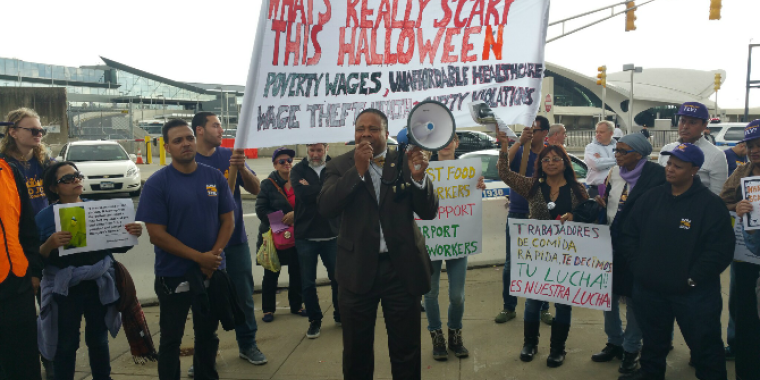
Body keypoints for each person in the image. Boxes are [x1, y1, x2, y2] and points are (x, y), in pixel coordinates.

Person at [318, 108, 438, 379]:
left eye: (373, 129)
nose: (366, 134)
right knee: (356, 351)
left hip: (401, 270)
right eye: (361, 128)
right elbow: (326, 207)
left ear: (387, 133)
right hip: (357, 270)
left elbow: (428, 212)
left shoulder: (405, 161)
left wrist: (419, 179)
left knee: (406, 348)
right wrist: (357, 172)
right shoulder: (339, 165)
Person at [619, 143, 734, 380]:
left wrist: (693, 279)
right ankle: (650, 375)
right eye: (669, 164)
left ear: (694, 170)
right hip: (650, 290)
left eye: (677, 166)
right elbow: (629, 234)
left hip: (694, 295)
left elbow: (720, 250)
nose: (670, 169)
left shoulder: (710, 205)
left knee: (706, 347)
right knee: (653, 343)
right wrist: (638, 268)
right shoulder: (650, 198)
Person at [135, 119, 236, 380]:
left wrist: (212, 256)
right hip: (174, 275)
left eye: (189, 138)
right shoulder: (157, 183)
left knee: (207, 335)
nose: (185, 144)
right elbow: (156, 235)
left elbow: (228, 220)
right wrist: (198, 258)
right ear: (167, 147)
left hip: (211, 273)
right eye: (178, 140)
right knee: (171, 339)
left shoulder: (214, 176)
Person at [36, 161, 143, 380]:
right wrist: (49, 244)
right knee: (66, 343)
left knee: (99, 339)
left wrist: (132, 233)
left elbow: (119, 246)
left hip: (98, 284)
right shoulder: (45, 217)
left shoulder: (98, 208)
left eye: (77, 175)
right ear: (54, 188)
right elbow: (35, 258)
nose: (75, 180)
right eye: (66, 178)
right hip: (66, 289)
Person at [496, 132, 590, 368]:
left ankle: (558, 348)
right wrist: (506, 145)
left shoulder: (578, 190)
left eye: (555, 159)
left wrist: (574, 216)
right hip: (538, 257)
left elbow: (588, 219)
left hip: (566, 258)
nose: (550, 163)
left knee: (563, 304)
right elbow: (504, 173)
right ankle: (530, 343)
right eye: (545, 160)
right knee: (533, 302)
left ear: (565, 162)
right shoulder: (532, 186)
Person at [192, 112, 267, 368]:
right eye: (215, 125)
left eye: (221, 125)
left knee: (243, 295)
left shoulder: (229, 157)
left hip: (234, 241)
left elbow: (257, 189)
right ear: (199, 130)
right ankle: (204, 355)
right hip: (201, 245)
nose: (220, 130)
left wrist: (242, 167)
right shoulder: (189, 161)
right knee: (204, 301)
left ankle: (248, 344)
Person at [590, 134, 665, 374]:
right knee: (607, 295)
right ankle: (615, 342)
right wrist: (604, 205)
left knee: (634, 299)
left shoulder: (657, 176)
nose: (617, 155)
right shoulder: (615, 173)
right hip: (611, 241)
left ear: (639, 154)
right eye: (617, 150)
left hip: (638, 247)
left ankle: (632, 348)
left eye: (622, 151)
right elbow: (613, 202)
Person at [424, 133, 485, 361]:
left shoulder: (468, 172)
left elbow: (471, 199)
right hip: (430, 242)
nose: (446, 143)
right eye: (442, 138)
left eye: (451, 139)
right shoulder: (425, 171)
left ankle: (455, 334)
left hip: (458, 242)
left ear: (456, 144)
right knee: (429, 293)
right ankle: (436, 335)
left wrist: (478, 186)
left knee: (457, 295)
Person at [494, 116, 553, 325]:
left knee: (542, 263)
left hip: (541, 215)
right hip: (518, 212)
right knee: (511, 264)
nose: (531, 133)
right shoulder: (520, 150)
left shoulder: (548, 153)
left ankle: (544, 307)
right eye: (529, 130)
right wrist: (519, 141)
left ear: (545, 132)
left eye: (535, 130)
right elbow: (503, 167)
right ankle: (508, 307)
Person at [718, 119, 760, 379]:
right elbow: (722, 202)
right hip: (746, 259)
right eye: (750, 145)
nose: (754, 150)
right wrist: (737, 208)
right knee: (745, 318)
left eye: (759, 145)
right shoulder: (741, 173)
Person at [289, 143, 340, 339]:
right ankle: (314, 320)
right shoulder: (297, 170)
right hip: (306, 236)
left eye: (319, 150)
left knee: (338, 279)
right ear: (307, 150)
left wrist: (314, 189)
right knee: (308, 282)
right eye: (312, 150)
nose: (315, 154)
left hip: (332, 234)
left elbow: (338, 194)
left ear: (326, 148)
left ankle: (340, 314)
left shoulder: (335, 167)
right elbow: (303, 196)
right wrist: (325, 190)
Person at [0, 154, 43, 380]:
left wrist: (34, 270)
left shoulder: (8, 170)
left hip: (17, 282)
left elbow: (27, 226)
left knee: (23, 362)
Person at [255, 147, 305, 322]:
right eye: (282, 161)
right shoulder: (268, 184)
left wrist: (295, 216)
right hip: (274, 236)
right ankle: (268, 309)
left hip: (297, 235)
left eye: (290, 161)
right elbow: (260, 209)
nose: (287, 164)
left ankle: (297, 305)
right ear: (275, 165)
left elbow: (308, 204)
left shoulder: (300, 181)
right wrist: (282, 223)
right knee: (271, 273)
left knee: (297, 272)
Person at [658, 102, 727, 195]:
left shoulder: (716, 155)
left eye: (692, 122)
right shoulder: (667, 149)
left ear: (704, 125)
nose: (685, 126)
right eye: (682, 121)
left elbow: (717, 195)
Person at [1, 108, 53, 215]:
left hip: (44, 227)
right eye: (34, 131)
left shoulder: (47, 162)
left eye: (41, 131)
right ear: (13, 132)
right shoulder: (3, 165)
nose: (39, 134)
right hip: (16, 228)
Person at [585, 120, 617, 198]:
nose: (598, 134)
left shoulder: (617, 147)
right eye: (597, 132)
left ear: (611, 133)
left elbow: (624, 163)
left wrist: (602, 159)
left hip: (615, 189)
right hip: (596, 191)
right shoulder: (591, 147)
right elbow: (596, 164)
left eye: (601, 132)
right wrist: (616, 161)